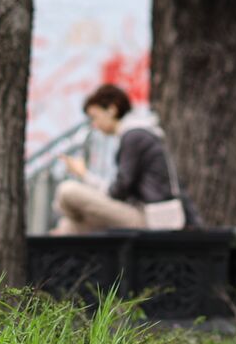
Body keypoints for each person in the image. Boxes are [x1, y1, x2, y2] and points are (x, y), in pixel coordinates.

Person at [52, 83, 199, 233]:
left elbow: (118, 190)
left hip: (151, 217)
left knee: (67, 191)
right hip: (143, 213)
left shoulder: (133, 136)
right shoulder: (136, 134)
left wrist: (84, 174)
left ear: (111, 110)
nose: (95, 125)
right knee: (68, 227)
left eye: (95, 117)